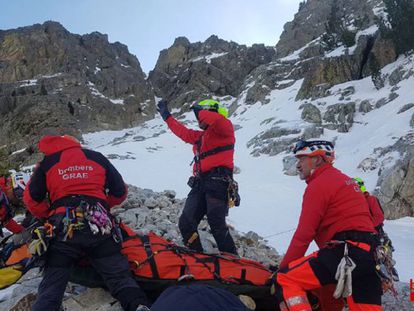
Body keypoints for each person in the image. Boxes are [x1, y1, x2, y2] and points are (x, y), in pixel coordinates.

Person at [23, 135, 150, 311]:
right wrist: (102, 207)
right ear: (76, 144)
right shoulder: (96, 157)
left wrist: (50, 214)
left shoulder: (48, 163)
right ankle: (139, 305)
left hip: (62, 228)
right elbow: (120, 192)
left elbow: (31, 200)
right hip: (100, 225)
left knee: (52, 286)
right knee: (120, 278)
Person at [276, 139, 382, 311]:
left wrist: (282, 269)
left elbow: (304, 235)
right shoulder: (347, 181)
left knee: (287, 279)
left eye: (302, 159)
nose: (298, 165)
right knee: (328, 291)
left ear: (317, 159)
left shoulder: (319, 184)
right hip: (369, 255)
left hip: (344, 252)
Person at [157, 99, 238, 255]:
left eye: (199, 115)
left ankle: (234, 261)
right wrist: (167, 116)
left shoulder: (225, 128)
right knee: (185, 223)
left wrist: (198, 109)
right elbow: (181, 131)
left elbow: (215, 119)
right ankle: (198, 257)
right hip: (200, 183)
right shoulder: (201, 137)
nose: (198, 119)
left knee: (216, 223)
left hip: (218, 182)